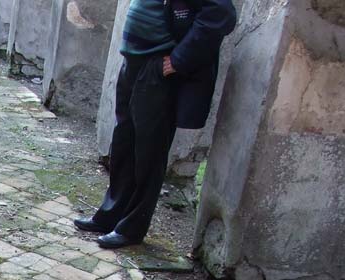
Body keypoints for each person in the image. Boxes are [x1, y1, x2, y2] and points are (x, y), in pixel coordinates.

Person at [75, 0, 236, 249]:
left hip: (158, 68)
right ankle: (110, 216)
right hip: (134, 60)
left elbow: (221, 15)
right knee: (124, 144)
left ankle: (131, 228)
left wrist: (179, 60)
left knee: (149, 152)